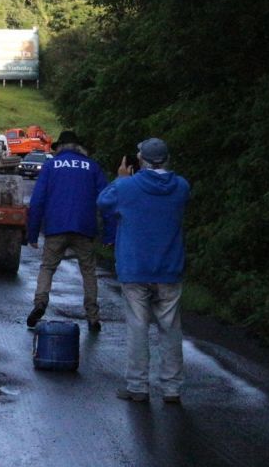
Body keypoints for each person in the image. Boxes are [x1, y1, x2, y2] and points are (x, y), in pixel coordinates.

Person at [97, 137, 190, 404]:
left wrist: (120, 178)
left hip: (135, 267)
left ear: (141, 160)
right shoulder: (181, 187)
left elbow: (104, 202)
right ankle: (172, 388)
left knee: (138, 327)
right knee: (170, 329)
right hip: (169, 267)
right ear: (167, 159)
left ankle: (138, 386)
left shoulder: (127, 187)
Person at [25, 130, 114, 332]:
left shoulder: (50, 166)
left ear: (59, 148)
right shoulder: (92, 167)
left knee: (47, 267)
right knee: (89, 271)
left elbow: (37, 201)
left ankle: (40, 303)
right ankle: (93, 316)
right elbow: (108, 201)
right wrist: (110, 233)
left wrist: (32, 233)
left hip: (56, 227)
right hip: (85, 228)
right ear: (79, 147)